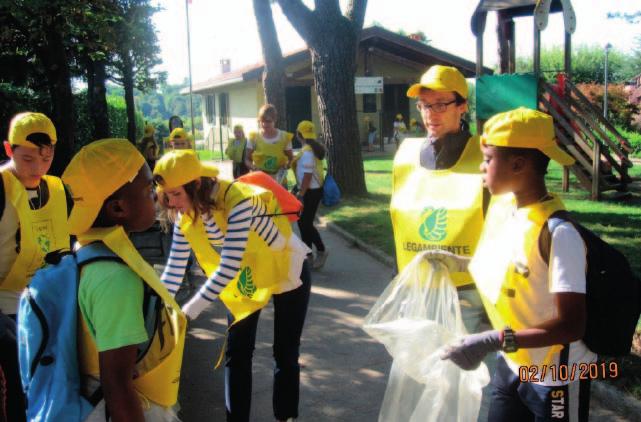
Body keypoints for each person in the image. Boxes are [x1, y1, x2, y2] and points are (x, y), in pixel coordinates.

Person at [439, 107, 594, 422]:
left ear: (519, 164)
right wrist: (455, 262)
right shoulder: (507, 209)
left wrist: (490, 340)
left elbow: (571, 325)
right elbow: (511, 268)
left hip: (556, 376)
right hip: (513, 362)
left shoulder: (559, 234)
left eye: (488, 159)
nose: (481, 168)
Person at [154, 150, 311, 422]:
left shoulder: (237, 201)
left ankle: (286, 417)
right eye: (166, 195)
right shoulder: (184, 214)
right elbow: (174, 270)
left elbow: (227, 267)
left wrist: (185, 314)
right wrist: (158, 308)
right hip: (245, 278)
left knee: (285, 352)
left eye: (176, 194)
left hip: (285, 269)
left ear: (197, 184)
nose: (171, 203)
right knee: (237, 353)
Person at [62, 139, 186, 421]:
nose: (155, 195)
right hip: (130, 407)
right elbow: (117, 383)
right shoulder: (115, 278)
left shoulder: (88, 249)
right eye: (146, 190)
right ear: (118, 208)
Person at [391, 65, 488, 334]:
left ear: (462, 106)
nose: (430, 114)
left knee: (463, 372)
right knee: (420, 370)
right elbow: (399, 222)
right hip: (416, 286)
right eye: (424, 105)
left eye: (441, 104)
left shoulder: (485, 157)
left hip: (467, 292)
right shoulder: (405, 155)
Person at [0, 112, 71, 422]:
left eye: (46, 158)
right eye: (27, 159)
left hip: (48, 303)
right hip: (6, 309)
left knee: (50, 385)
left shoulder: (58, 189)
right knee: (18, 388)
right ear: (8, 149)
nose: (38, 168)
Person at [291, 120, 328, 270]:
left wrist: (300, 194)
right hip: (311, 191)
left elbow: (307, 177)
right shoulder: (311, 149)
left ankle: (321, 251)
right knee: (302, 223)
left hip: (309, 192)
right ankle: (308, 256)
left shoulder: (307, 152)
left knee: (305, 223)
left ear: (299, 135)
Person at [244, 104, 294, 185]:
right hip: (259, 180)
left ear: (275, 120)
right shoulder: (254, 137)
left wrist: (285, 167)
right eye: (262, 121)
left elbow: (291, 159)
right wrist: (254, 168)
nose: (264, 124)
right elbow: (246, 159)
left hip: (279, 181)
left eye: (268, 121)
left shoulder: (284, 137)